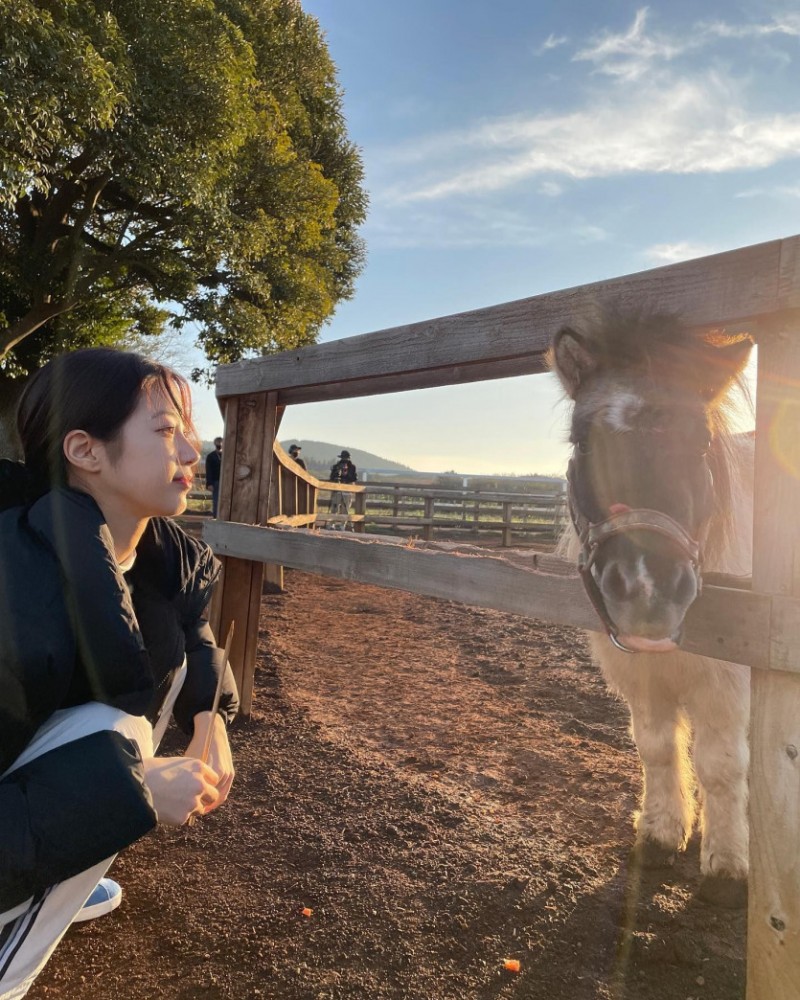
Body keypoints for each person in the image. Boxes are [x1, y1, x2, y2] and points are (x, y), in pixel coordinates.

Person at [0, 348, 238, 998]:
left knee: (145, 697)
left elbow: (194, 633)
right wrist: (128, 790)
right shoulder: (11, 584)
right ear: (86, 451)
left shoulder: (162, 560)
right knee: (120, 733)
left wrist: (208, 715)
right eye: (165, 432)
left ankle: (57, 879)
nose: (193, 453)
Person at [328, 449, 357, 526]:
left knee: (345, 509)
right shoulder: (336, 466)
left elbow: (353, 478)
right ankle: (332, 524)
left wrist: (346, 474)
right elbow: (332, 477)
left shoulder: (352, 467)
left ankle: (342, 525)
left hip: (347, 490)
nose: (345, 460)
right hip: (337, 489)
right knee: (335, 508)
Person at [204, 436, 223, 518]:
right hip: (216, 482)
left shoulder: (228, 455)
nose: (219, 445)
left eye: (221, 443)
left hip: (227, 482)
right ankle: (216, 518)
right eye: (218, 443)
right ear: (215, 444)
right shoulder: (211, 456)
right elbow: (209, 471)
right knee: (216, 501)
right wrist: (209, 483)